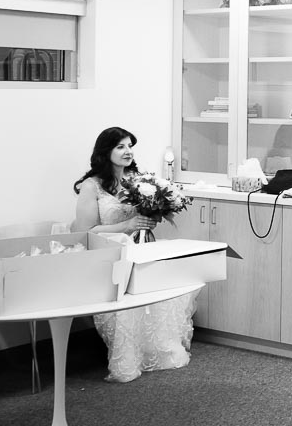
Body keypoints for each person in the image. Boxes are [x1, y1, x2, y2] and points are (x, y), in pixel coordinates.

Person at [72, 126, 200, 383]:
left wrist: (151, 218)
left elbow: (145, 213)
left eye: (129, 146)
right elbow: (86, 231)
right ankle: (127, 357)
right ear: (105, 152)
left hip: (141, 247)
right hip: (110, 253)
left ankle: (156, 350)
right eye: (120, 146)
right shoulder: (92, 186)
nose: (127, 151)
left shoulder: (138, 179)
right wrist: (127, 227)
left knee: (169, 282)